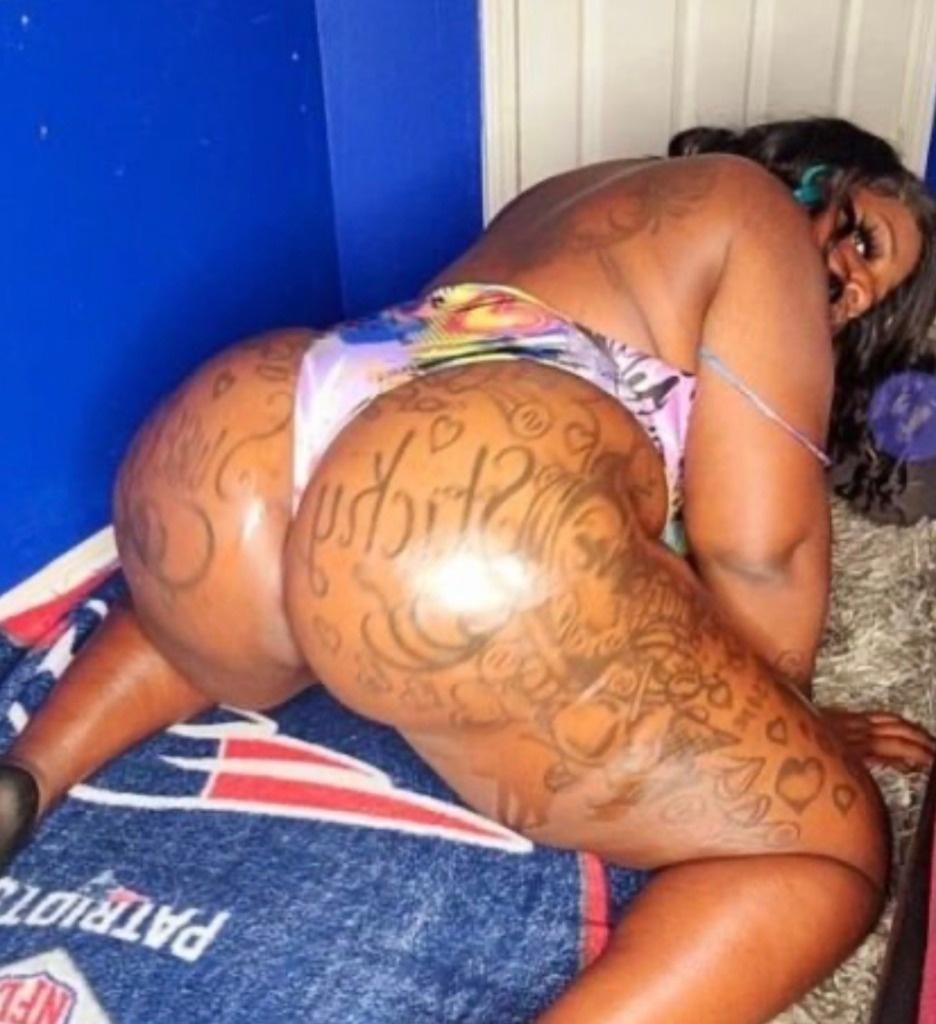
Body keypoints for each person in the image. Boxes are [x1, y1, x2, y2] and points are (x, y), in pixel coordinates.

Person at [2, 117, 936, 1023]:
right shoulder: (759, 214)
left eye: (871, 298)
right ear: (813, 173)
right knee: (832, 853)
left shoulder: (579, 194)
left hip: (245, 430)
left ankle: (30, 774)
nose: (850, 283)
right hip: (459, 504)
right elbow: (763, 554)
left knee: (203, 626)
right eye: (864, 238)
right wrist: (782, 726)